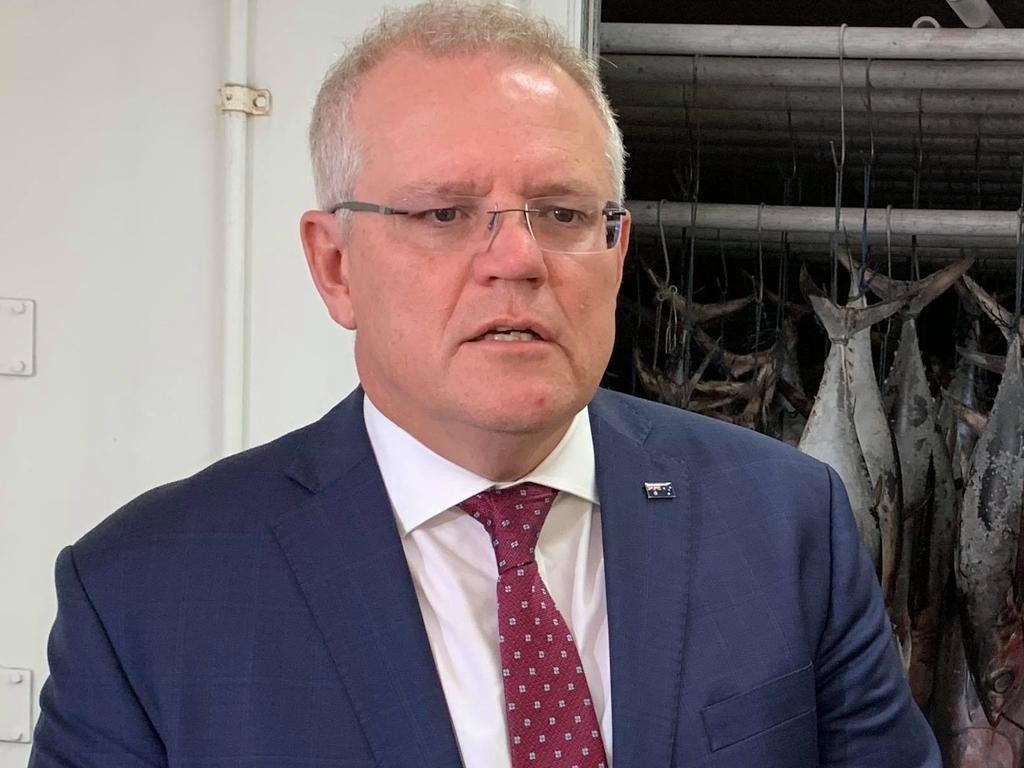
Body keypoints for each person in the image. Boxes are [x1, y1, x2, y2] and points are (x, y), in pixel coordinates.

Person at [30, 3, 940, 767]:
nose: (517, 258)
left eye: (562, 213)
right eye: (444, 213)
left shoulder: (785, 523)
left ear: (616, 252)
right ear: (335, 266)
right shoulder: (143, 596)